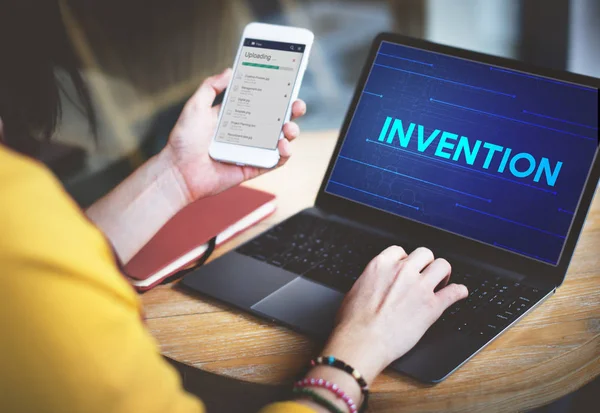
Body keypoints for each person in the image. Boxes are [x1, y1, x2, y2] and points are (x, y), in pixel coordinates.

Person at [0, 2, 468, 412]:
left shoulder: (21, 207)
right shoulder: (17, 215)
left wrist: (177, 176)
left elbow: (55, 254)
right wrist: (360, 348)